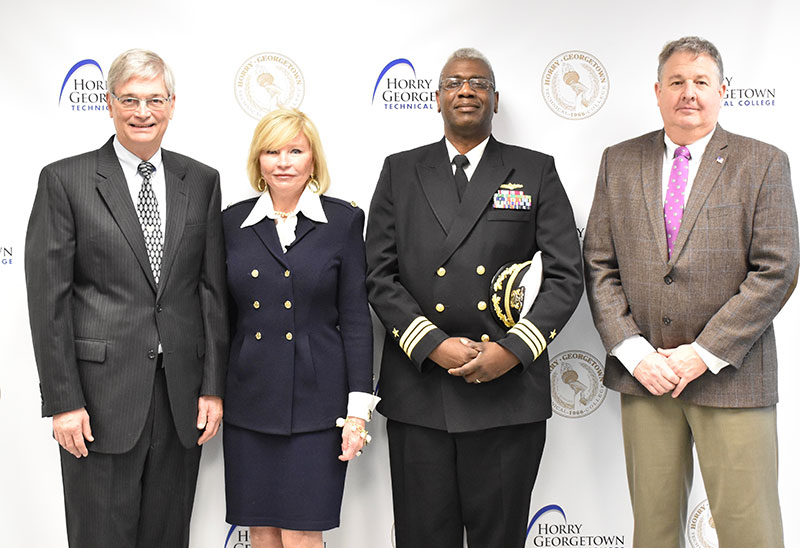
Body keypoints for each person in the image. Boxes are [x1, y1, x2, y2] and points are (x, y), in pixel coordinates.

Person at [583, 36, 798, 548]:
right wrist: (634, 352)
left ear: (722, 91)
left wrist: (703, 353)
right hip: (646, 378)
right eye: (677, 81)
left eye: (701, 81)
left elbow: (777, 269)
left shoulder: (763, 162)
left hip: (732, 376)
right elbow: (598, 263)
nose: (689, 93)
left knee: (750, 533)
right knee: (653, 532)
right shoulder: (619, 161)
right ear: (657, 91)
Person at [365, 48, 584, 548]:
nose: (466, 90)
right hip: (421, 391)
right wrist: (431, 344)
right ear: (437, 99)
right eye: (454, 83)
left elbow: (566, 275)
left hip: (507, 394)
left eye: (479, 83)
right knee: (422, 539)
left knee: (499, 539)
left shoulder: (535, 170)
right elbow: (379, 274)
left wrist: (513, 350)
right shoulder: (400, 170)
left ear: (495, 100)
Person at [25, 49, 228, 548]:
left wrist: (212, 386)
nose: (143, 112)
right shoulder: (65, 180)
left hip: (180, 401)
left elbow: (210, 292)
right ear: (109, 103)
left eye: (155, 99)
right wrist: (64, 402)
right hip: (98, 402)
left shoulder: (201, 180)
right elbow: (49, 302)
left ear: (172, 105)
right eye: (130, 99)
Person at [222, 108, 377, 548]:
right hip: (250, 402)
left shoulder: (344, 222)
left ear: (313, 159)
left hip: (318, 407)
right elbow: (220, 319)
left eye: (295, 151)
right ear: (258, 161)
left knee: (302, 534)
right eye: (272, 152)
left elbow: (356, 320)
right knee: (261, 533)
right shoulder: (231, 223)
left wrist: (358, 412)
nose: (283, 162)